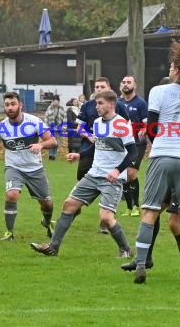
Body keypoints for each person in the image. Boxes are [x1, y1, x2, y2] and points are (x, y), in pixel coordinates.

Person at [127, 40, 180, 284]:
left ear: (176, 70)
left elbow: (151, 127)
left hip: (161, 156)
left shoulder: (158, 92)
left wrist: (159, 142)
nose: (169, 69)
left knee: (149, 211)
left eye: (172, 66)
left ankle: (141, 264)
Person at [30, 90, 136, 258]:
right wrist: (80, 155)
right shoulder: (98, 123)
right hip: (94, 174)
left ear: (112, 104)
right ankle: (53, 247)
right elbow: (98, 146)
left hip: (112, 179)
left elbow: (133, 153)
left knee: (106, 218)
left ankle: (126, 250)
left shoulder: (122, 125)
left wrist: (117, 170)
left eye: (100, 103)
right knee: (68, 205)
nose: (97, 106)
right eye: (96, 103)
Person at [0, 92, 57, 241]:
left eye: (13, 104)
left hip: (35, 168)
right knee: (11, 195)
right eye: (7, 105)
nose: (10, 108)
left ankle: (47, 222)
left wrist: (40, 144)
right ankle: (9, 233)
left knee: (47, 203)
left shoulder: (34, 122)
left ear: (20, 105)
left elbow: (53, 141)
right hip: (14, 168)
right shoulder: (1, 127)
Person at [75, 77, 130, 234]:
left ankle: (105, 221)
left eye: (102, 87)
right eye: (96, 87)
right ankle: (74, 208)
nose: (98, 89)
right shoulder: (87, 106)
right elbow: (79, 127)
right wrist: (90, 136)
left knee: (108, 184)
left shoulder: (117, 106)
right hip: (90, 148)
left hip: (112, 152)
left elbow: (126, 128)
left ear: (109, 88)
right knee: (82, 178)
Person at [118, 75, 148, 217]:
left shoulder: (140, 103)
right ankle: (129, 208)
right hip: (122, 143)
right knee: (124, 174)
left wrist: (144, 129)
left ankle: (136, 206)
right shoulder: (117, 103)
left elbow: (147, 122)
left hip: (137, 143)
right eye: (123, 82)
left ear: (134, 85)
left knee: (131, 173)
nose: (126, 84)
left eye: (129, 82)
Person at [43, 95, 66, 160]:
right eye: (54, 100)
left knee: (57, 142)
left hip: (59, 128)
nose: (55, 102)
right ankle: (50, 155)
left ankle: (54, 155)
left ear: (58, 101)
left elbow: (65, 118)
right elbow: (46, 117)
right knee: (50, 141)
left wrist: (64, 126)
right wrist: (46, 127)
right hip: (50, 128)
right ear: (52, 101)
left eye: (57, 101)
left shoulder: (62, 108)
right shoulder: (49, 108)